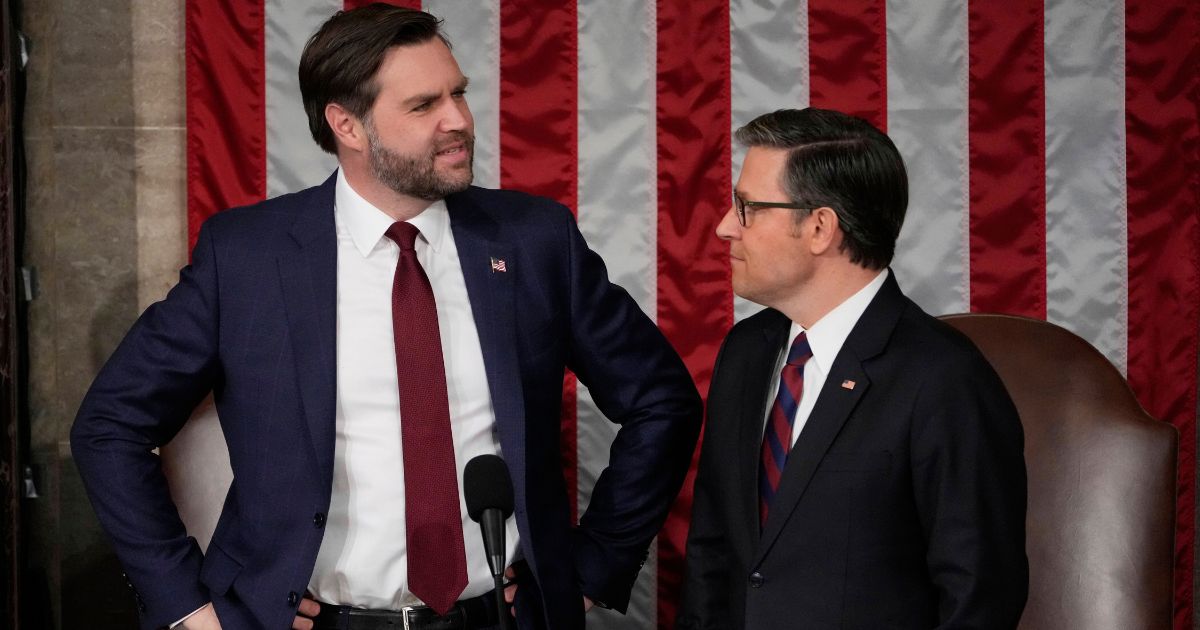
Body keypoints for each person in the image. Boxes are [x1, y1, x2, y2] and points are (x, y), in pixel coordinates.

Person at [70, 5, 701, 630]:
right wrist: (188, 607)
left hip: (499, 620)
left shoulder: (533, 241)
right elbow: (110, 426)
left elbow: (662, 400)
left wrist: (589, 569)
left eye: (458, 93)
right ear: (346, 124)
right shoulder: (247, 257)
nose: (458, 120)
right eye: (424, 106)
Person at [676, 108, 1028, 629]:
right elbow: (713, 554)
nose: (726, 226)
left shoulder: (944, 378)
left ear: (820, 227)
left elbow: (978, 599)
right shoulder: (746, 352)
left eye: (747, 207)